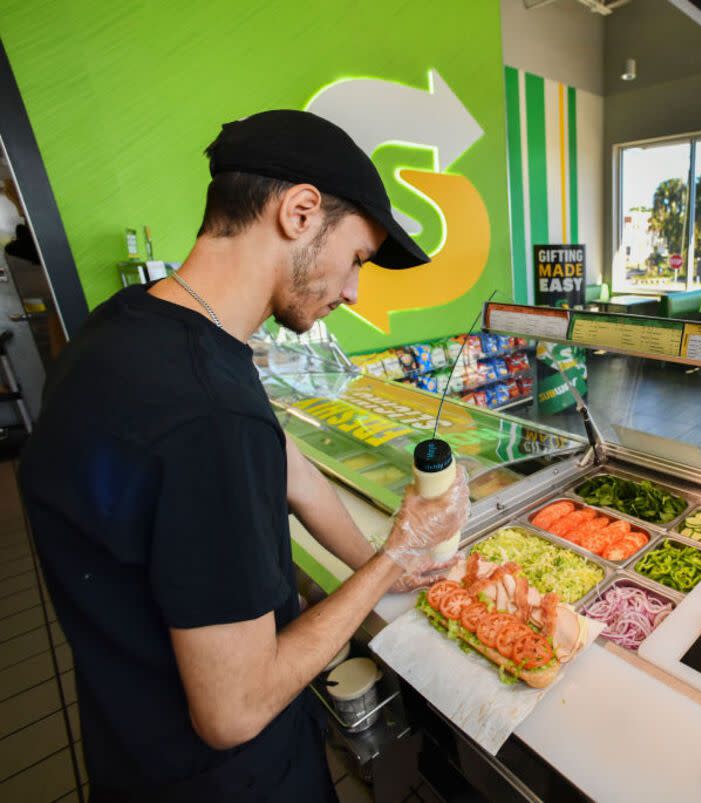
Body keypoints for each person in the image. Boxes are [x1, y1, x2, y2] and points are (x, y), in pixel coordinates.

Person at [18, 110, 468, 803]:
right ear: (300, 210)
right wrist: (394, 558)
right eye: (356, 259)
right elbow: (235, 707)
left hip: (126, 746)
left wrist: (381, 561)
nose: (353, 290)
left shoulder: (133, 324)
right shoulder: (208, 416)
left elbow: (290, 466)